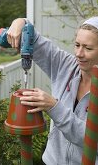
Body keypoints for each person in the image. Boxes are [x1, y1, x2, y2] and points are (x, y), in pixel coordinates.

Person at [6, 16, 98, 165]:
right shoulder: (66, 65)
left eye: (88, 48)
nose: (79, 54)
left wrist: (54, 107)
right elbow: (34, 40)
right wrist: (19, 22)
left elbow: (92, 140)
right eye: (77, 45)